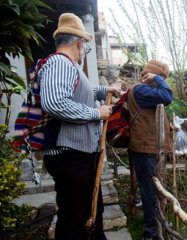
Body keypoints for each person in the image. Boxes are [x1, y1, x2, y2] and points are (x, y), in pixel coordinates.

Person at [39, 13, 122, 240]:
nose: (85, 50)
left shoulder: (68, 67)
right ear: (78, 43)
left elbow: (78, 92)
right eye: (85, 45)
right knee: (74, 220)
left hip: (77, 154)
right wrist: (96, 113)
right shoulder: (60, 63)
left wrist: (104, 91)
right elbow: (55, 102)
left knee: (90, 210)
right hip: (69, 155)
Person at [127, 59, 173, 240]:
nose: (163, 81)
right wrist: (157, 79)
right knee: (149, 193)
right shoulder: (141, 89)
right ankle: (151, 233)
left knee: (153, 191)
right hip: (145, 150)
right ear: (152, 75)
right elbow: (167, 97)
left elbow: (151, 114)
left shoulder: (144, 91)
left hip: (148, 149)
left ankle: (156, 225)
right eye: (162, 77)